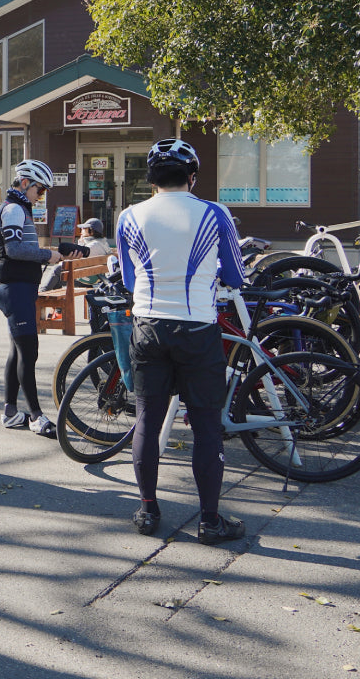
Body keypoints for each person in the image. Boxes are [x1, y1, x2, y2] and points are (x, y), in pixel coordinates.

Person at [115, 138, 247, 544]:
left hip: (149, 326)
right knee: (206, 425)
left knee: (147, 421)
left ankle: (148, 510)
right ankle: (209, 521)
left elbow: (128, 280)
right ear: (192, 177)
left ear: (151, 179)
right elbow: (237, 276)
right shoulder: (214, 212)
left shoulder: (128, 216)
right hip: (198, 328)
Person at [0, 159, 62, 437]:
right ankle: (36, 416)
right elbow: (13, 249)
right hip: (15, 288)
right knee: (28, 353)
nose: (41, 195)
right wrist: (48, 255)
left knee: (17, 353)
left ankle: (11, 413)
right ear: (24, 183)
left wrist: (58, 250)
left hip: (20, 287)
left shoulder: (21, 208)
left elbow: (25, 247)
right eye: (40, 190)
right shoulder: (12, 209)